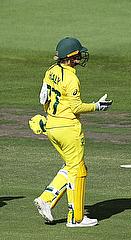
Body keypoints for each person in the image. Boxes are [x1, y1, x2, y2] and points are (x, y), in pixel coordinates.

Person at [32, 37, 112, 227]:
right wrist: (97, 106)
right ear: (71, 57)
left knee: (71, 167)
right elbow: (76, 107)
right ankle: (76, 218)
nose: (80, 57)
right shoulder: (71, 78)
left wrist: (51, 116)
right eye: (77, 55)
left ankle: (46, 199)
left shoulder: (50, 71)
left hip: (52, 126)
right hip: (69, 129)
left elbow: (43, 98)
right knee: (78, 170)